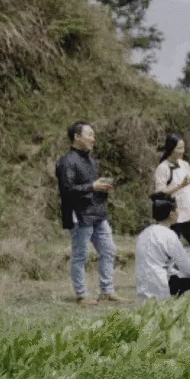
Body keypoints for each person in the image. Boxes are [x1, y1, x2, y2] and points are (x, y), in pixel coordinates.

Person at [55, 120, 127, 305]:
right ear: (76, 137)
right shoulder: (67, 161)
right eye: (89, 135)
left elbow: (91, 186)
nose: (93, 139)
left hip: (98, 213)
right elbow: (67, 190)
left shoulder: (91, 160)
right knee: (81, 255)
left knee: (109, 250)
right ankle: (81, 294)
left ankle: (107, 291)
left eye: (93, 135)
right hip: (79, 214)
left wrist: (102, 187)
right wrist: (92, 186)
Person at [135, 193, 190, 304]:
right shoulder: (169, 235)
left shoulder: (144, 233)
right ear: (171, 215)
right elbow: (188, 268)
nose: (178, 213)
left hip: (143, 288)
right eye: (176, 211)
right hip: (161, 287)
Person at [154, 132, 190, 262]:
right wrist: (180, 185)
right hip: (173, 215)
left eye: (183, 147)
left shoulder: (185, 165)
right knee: (172, 250)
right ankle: (167, 273)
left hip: (188, 214)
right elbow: (160, 193)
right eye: (179, 148)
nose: (182, 151)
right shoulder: (163, 168)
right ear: (171, 149)